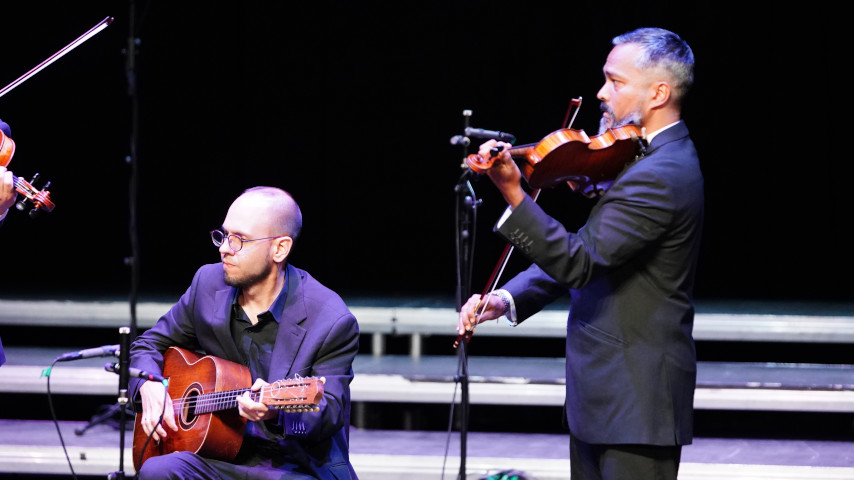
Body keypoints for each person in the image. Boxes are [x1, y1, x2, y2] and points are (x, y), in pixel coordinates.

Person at [457, 28, 703, 480]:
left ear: (658, 93)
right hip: (610, 398)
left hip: (636, 402)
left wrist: (514, 193)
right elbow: (598, 247)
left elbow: (580, 260)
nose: (602, 93)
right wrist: (507, 299)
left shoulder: (662, 172)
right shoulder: (644, 157)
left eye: (615, 81)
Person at [129, 186, 360, 479]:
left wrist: (277, 413)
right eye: (224, 235)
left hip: (294, 465)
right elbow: (148, 344)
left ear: (280, 248)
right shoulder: (208, 284)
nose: (224, 248)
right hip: (218, 455)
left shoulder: (330, 319)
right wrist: (149, 383)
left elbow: (329, 414)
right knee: (157, 470)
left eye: (239, 239)